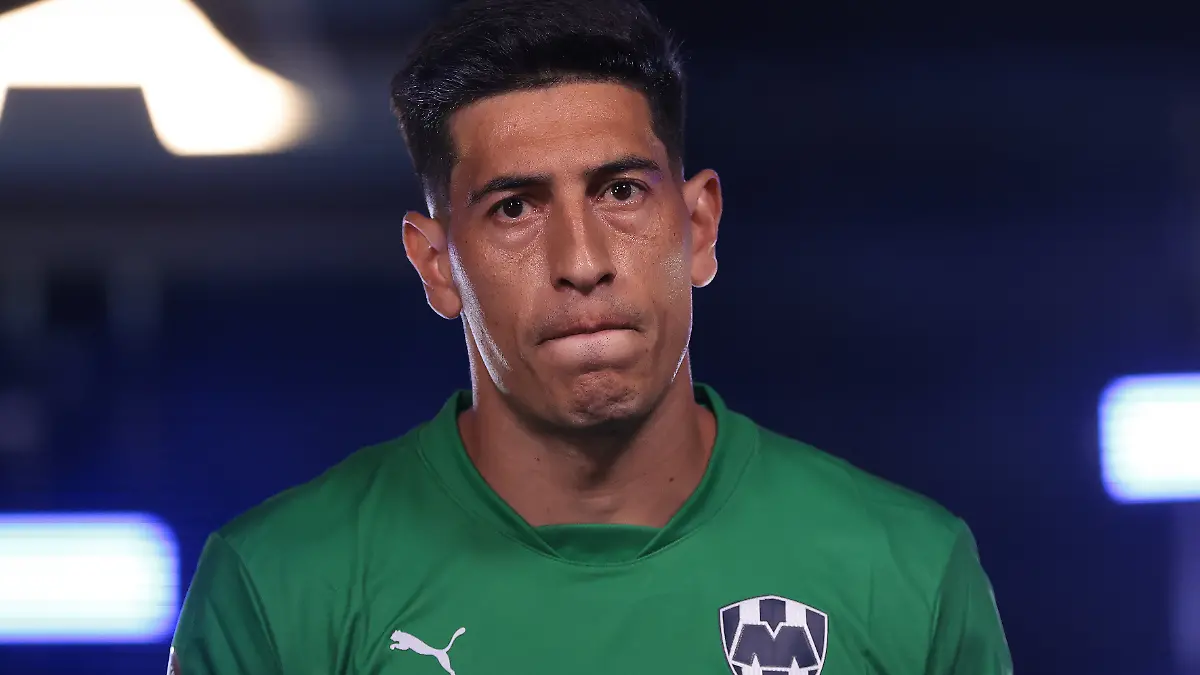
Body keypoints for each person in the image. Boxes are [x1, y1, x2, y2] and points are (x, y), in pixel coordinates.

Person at [169, 0, 1013, 673]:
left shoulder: (906, 571)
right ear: (436, 265)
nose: (582, 261)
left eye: (619, 193)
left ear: (700, 225)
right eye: (515, 207)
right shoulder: (278, 586)